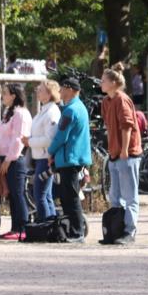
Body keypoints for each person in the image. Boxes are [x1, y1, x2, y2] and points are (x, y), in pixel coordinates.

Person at [100, 66, 143, 245]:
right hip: (114, 153)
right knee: (115, 195)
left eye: (103, 80)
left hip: (128, 154)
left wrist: (125, 149)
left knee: (130, 195)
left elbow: (127, 126)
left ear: (114, 83)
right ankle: (115, 229)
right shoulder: (106, 101)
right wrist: (112, 150)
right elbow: (109, 127)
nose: (101, 83)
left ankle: (129, 231)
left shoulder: (122, 99)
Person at [47, 78, 92, 242]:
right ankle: (73, 230)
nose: (60, 91)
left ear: (71, 89)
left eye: (63, 88)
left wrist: (50, 151)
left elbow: (61, 136)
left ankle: (77, 232)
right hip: (74, 159)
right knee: (69, 196)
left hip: (69, 159)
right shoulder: (80, 107)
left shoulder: (70, 111)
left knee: (70, 197)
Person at [0, 83, 32, 239]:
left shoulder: (21, 114)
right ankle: (14, 227)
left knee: (18, 193)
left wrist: (8, 160)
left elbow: (18, 139)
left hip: (15, 160)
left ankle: (23, 228)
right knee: (11, 194)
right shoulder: (8, 112)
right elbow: (3, 136)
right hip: (5, 157)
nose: (3, 96)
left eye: (5, 93)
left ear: (14, 95)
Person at [24, 80, 62, 222]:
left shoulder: (51, 112)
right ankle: (50, 224)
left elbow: (49, 139)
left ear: (48, 94)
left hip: (46, 158)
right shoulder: (44, 110)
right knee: (45, 194)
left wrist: (30, 142)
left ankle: (45, 224)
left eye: (40, 90)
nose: (37, 92)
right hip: (40, 156)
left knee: (40, 193)